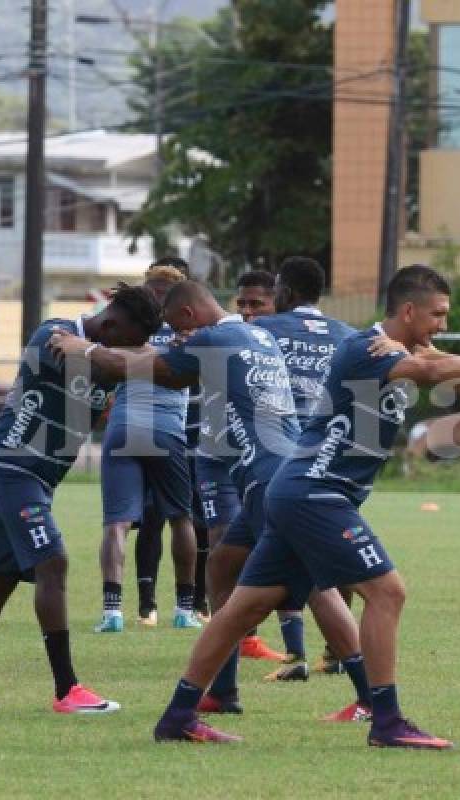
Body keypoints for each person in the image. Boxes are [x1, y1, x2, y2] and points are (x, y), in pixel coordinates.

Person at [145, 265, 460, 746]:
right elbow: (438, 369)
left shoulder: (406, 351)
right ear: (408, 310)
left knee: (242, 610)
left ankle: (178, 716)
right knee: (387, 592)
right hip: (316, 492)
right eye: (438, 314)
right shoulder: (367, 347)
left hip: (298, 491)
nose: (443, 324)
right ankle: (385, 720)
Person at [49, 280, 370, 726]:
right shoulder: (254, 334)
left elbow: (150, 368)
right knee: (221, 566)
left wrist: (81, 348)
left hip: (271, 477)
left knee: (319, 587)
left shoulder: (214, 337)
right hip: (276, 472)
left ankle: (371, 697)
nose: (178, 338)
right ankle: (222, 693)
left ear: (187, 317)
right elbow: (176, 372)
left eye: (177, 330)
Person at [0, 284, 161, 713]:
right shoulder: (53, 335)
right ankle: (67, 690)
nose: (126, 349)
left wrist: (138, 358)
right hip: (10, 467)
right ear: (109, 324)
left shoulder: (105, 351)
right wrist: (139, 361)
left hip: (37, 479)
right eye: (126, 339)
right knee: (52, 560)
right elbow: (119, 367)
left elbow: (137, 367)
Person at [248, 256, 357, 682]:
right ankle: (334, 651)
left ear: (285, 293)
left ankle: (300, 654)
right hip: (334, 454)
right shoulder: (347, 336)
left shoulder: (263, 331)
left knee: (282, 554)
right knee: (335, 548)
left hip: (279, 459)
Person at [94, 264, 200, 633]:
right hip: (168, 427)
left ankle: (112, 611)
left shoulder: (132, 324)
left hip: (125, 423)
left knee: (117, 521)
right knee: (181, 517)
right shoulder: (191, 328)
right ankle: (185, 609)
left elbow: (105, 366)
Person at [198, 269, 284, 662]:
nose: (248, 311)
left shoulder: (271, 341)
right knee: (222, 551)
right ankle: (232, 651)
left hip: (268, 466)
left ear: (274, 304)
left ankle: (344, 664)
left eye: (258, 304)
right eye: (242, 304)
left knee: (298, 564)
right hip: (218, 458)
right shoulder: (225, 337)